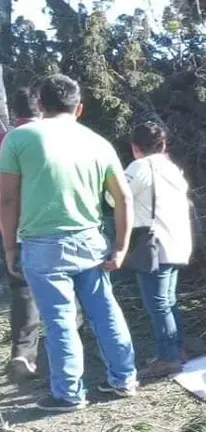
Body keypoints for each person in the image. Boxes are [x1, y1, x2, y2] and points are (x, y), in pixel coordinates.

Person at [0, 74, 138, 412]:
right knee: (105, 311)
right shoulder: (98, 142)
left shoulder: (20, 138)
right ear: (79, 108)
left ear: (41, 105)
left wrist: (10, 248)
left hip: (43, 245)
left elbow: (7, 199)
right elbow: (123, 199)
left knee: (59, 319)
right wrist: (121, 246)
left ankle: (69, 394)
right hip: (91, 239)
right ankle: (124, 379)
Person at [110, 121, 192, 379]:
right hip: (177, 241)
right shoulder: (172, 168)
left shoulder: (140, 167)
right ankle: (176, 350)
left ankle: (168, 358)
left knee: (156, 303)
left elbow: (114, 197)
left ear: (135, 147)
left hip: (154, 244)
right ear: (164, 144)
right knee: (168, 300)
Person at [1, 87, 41, 382]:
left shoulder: (6, 139)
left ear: (14, 113)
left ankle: (22, 352)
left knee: (21, 289)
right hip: (43, 224)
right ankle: (56, 355)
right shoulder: (53, 137)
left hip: (8, 226)